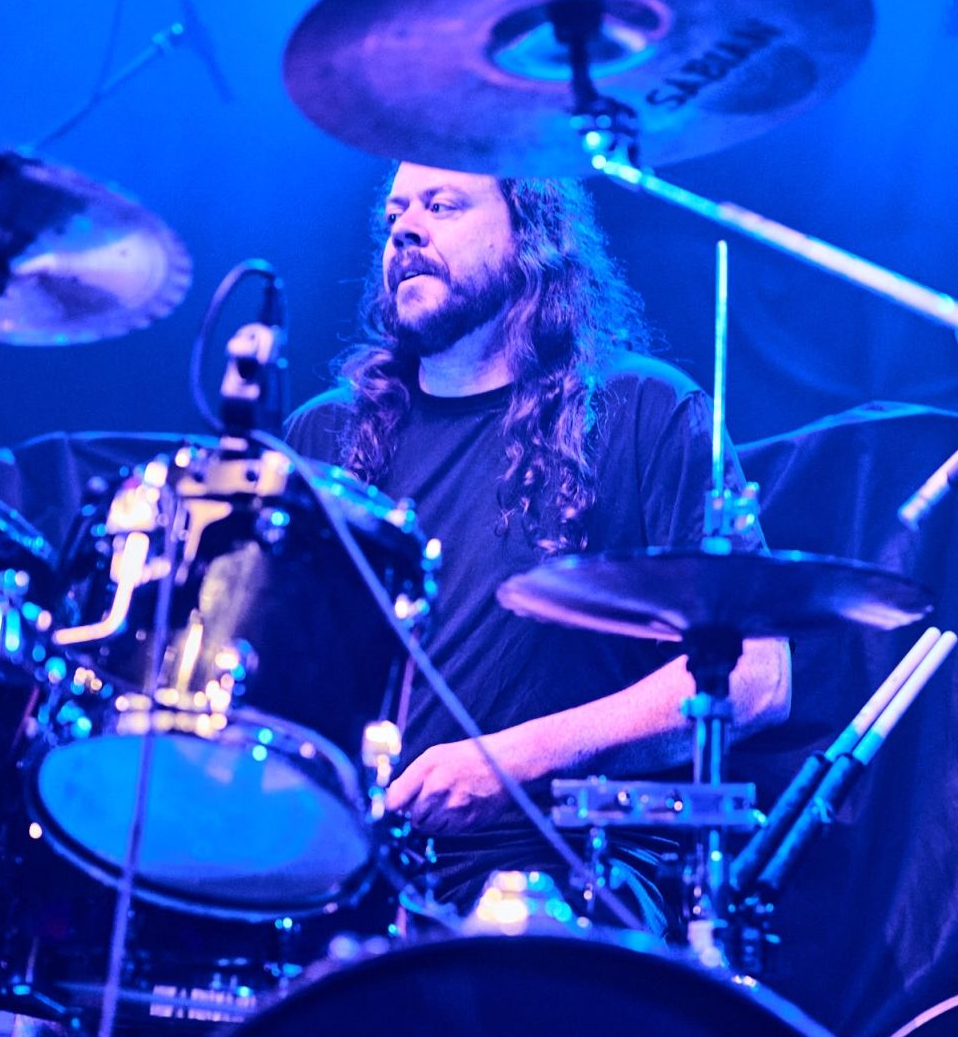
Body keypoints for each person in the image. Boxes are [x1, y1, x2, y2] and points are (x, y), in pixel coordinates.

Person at [285, 163, 790, 912]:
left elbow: (758, 676)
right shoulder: (324, 435)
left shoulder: (643, 411)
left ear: (530, 234)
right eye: (395, 213)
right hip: (348, 877)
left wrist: (515, 760)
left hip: (567, 868)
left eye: (442, 205)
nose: (406, 229)